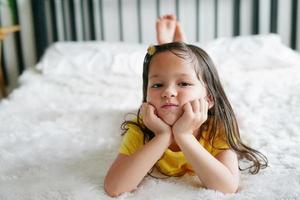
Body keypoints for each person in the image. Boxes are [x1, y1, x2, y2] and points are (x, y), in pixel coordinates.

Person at [104, 14, 268, 197]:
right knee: (177, 71)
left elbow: (227, 187)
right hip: (159, 116)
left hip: (211, 109)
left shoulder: (217, 128)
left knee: (233, 112)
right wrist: (162, 136)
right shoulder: (140, 129)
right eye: (157, 85)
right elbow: (114, 188)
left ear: (208, 99)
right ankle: (172, 49)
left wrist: (183, 135)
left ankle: (175, 47)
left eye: (183, 84)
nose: (168, 92)